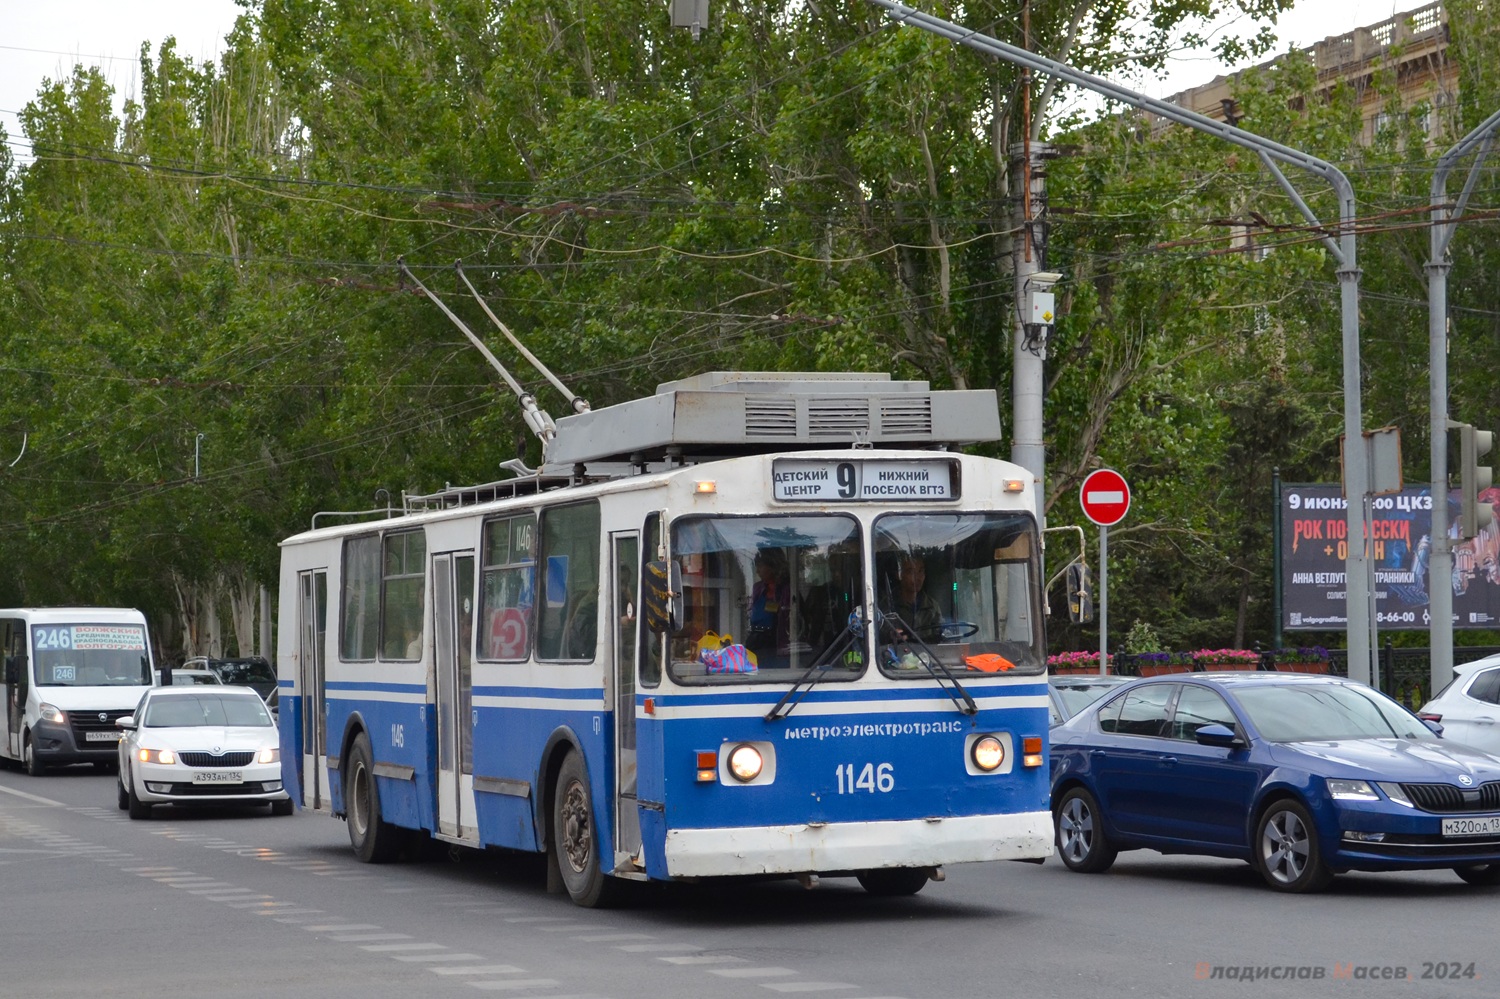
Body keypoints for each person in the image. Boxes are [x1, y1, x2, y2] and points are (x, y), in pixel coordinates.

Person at [882, 553, 942, 644]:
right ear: (899, 575)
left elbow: (941, 636)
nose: (917, 578)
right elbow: (880, 635)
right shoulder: (888, 604)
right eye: (911, 572)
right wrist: (892, 635)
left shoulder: (932, 606)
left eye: (920, 571)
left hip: (928, 656)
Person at [745, 551, 790, 662]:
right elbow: (751, 611)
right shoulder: (758, 588)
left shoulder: (787, 589)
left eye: (760, 566)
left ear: (773, 566)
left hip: (777, 642)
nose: (757, 571)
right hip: (756, 640)